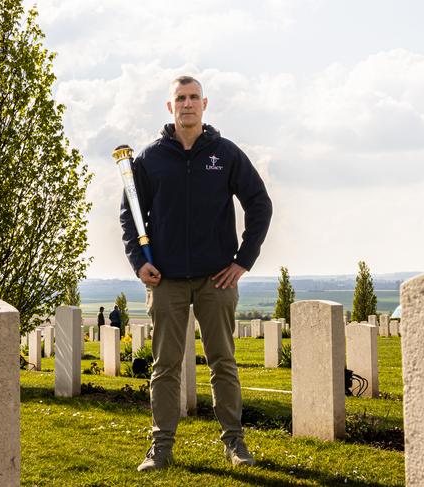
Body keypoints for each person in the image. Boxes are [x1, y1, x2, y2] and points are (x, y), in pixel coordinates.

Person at [120, 75, 272, 471]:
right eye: (180, 99)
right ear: (169, 108)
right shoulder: (150, 159)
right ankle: (161, 448)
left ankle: (235, 444)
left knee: (223, 362)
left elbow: (259, 204)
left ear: (206, 104)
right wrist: (140, 263)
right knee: (164, 367)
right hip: (165, 279)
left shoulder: (226, 154)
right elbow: (129, 216)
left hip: (215, 278)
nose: (187, 104)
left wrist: (243, 260)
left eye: (194, 98)